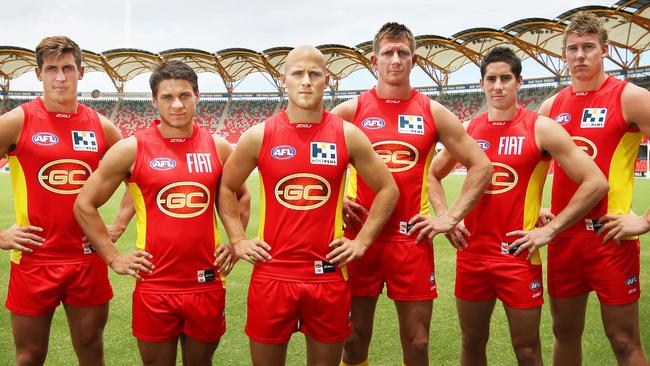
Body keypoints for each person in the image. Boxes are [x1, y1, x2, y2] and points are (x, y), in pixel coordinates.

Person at [216, 45, 398, 366]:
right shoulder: (258, 136)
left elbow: (387, 189)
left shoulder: (348, 135)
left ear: (327, 80)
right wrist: (237, 239)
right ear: (283, 79)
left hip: (327, 275)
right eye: (298, 73)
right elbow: (227, 187)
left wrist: (362, 241)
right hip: (272, 273)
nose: (306, 81)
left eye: (314, 74)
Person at [429, 46, 608, 365]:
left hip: (518, 256)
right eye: (491, 79)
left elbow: (595, 181)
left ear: (519, 82)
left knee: (527, 350)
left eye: (505, 78)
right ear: (481, 84)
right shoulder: (468, 129)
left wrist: (550, 230)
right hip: (472, 255)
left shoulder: (541, 128)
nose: (498, 86)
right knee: (472, 344)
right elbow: (431, 174)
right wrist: (446, 217)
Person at [331, 22, 492, 366]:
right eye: (388, 52)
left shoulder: (431, 112)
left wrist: (449, 216)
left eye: (402, 52)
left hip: (411, 240)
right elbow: (310, 156)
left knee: (418, 342)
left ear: (414, 60)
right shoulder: (350, 111)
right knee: (354, 338)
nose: (395, 59)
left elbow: (481, 166)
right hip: (360, 237)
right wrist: (337, 199)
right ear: (374, 60)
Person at [74, 60, 249, 365]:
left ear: (198, 96)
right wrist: (114, 257)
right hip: (154, 283)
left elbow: (243, 195)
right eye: (167, 97)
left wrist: (236, 243)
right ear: (154, 101)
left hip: (206, 282)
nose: (177, 104)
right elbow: (83, 204)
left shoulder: (218, 147)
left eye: (185, 95)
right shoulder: (132, 149)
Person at [0, 36, 128, 366]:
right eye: (52, 69)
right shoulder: (18, 121)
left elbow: (140, 176)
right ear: (38, 73)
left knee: (91, 350)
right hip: (34, 258)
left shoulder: (101, 127)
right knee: (29, 355)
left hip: (87, 259)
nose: (60, 77)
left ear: (81, 73)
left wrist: (116, 225)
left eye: (68, 68)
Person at [538, 11, 650, 365]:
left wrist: (646, 221)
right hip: (564, 240)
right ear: (563, 56)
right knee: (564, 333)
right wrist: (534, 210)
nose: (580, 55)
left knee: (623, 340)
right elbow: (531, 166)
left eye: (589, 47)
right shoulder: (550, 106)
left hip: (610, 238)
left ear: (605, 50)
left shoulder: (629, 96)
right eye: (573, 48)